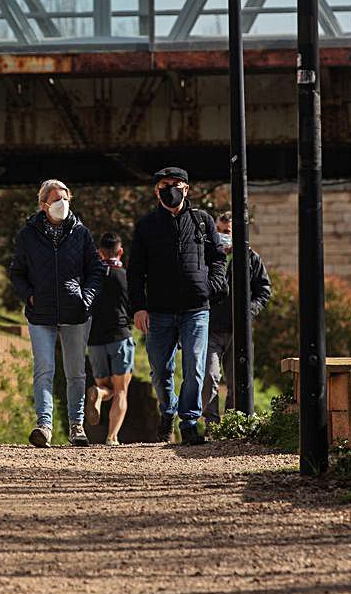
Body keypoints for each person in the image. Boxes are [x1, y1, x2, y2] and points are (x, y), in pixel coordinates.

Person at [128, 167, 227, 447]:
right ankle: (168, 410)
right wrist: (138, 307)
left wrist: (213, 284)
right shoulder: (146, 226)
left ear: (186, 189)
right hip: (158, 311)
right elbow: (136, 271)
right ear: (156, 190)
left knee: (196, 365)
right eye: (164, 184)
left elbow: (218, 257)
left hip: (196, 308)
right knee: (160, 370)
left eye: (176, 184)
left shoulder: (202, 221)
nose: (170, 189)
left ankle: (190, 422)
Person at [9, 179, 105, 449]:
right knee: (44, 369)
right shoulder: (27, 235)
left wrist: (86, 298)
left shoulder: (81, 233)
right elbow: (17, 272)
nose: (62, 203)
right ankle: (45, 425)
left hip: (76, 313)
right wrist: (29, 294)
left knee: (75, 372)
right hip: (41, 313)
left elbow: (96, 270)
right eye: (55, 199)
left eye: (65, 198)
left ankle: (77, 426)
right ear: (43, 205)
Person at [201, 210, 272, 425]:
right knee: (209, 377)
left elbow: (263, 290)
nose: (223, 235)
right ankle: (211, 424)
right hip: (211, 326)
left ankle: (232, 424)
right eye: (219, 231)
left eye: (227, 231)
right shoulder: (205, 255)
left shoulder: (250, 258)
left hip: (238, 329)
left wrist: (248, 311)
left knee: (236, 380)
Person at [84, 232, 134, 445]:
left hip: (95, 340)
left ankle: (98, 392)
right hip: (119, 337)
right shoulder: (124, 276)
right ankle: (112, 437)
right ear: (120, 251)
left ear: (100, 252)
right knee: (121, 390)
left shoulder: (91, 277)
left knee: (108, 388)